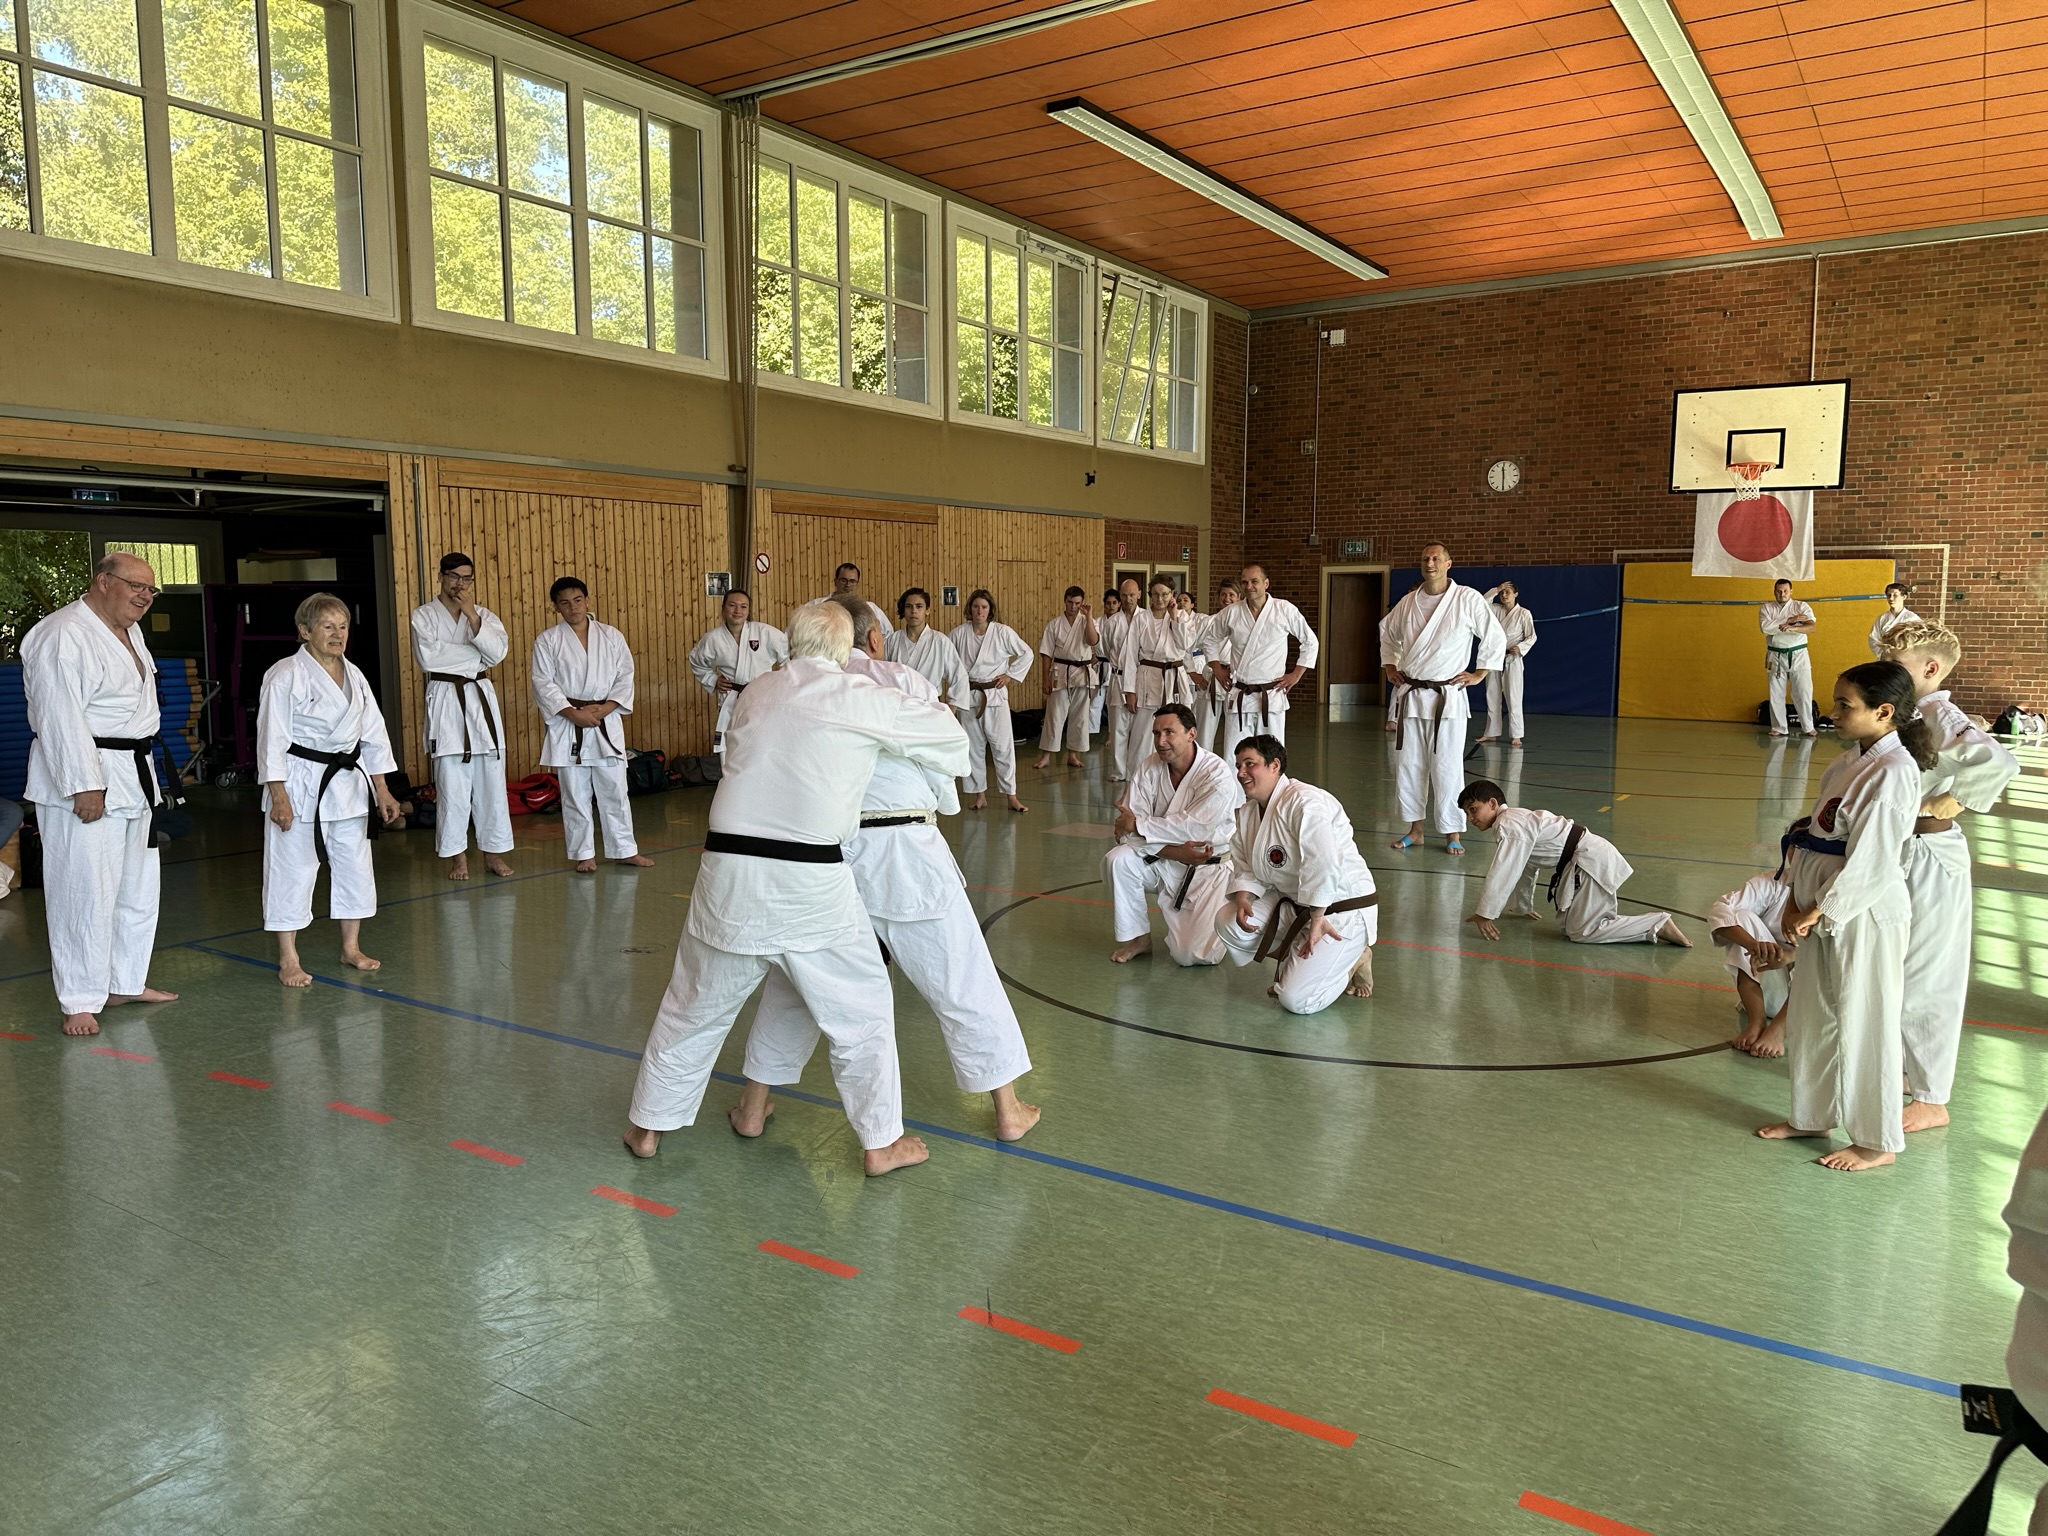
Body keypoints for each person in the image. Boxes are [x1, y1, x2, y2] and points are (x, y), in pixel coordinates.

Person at [622, 601, 966, 1177]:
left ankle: (647, 1126)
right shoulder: (859, 695)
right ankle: (880, 1143)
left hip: (726, 871)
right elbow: (951, 742)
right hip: (808, 879)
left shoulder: (757, 691)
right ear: (846, 651)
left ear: (789, 644)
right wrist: (910, 710)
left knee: (692, 1004)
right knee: (863, 1012)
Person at [736, 595, 1038, 1144]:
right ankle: (1008, 1109)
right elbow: (946, 764)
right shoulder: (898, 679)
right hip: (903, 849)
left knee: (796, 982)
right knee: (961, 975)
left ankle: (753, 1107)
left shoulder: (787, 689)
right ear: (876, 638)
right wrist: (937, 803)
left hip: (824, 852)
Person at [1756, 660, 1935, 1172]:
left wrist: (1820, 908)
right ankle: (1811, 1116)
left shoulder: (1894, 771)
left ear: (1884, 712)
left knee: (1865, 1020)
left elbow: (1874, 859)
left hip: (1866, 913)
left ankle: (1877, 1141)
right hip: (1818, 904)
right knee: (1811, 1015)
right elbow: (1814, 838)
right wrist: (1794, 898)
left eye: (1844, 705)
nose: (1832, 713)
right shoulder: (1845, 764)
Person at [23, 553, 182, 1035]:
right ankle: (78, 998)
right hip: (87, 774)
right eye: (136, 586)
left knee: (136, 887)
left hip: (133, 771)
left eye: (151, 590)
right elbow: (58, 715)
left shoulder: (129, 631)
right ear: (103, 581)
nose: (145, 596)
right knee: (83, 890)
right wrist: (84, 784)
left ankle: (123, 981)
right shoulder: (62, 634)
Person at [1878, 620, 2021, 1133]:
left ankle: (1932, 1097)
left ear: (1931, 669)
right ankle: (1905, 1070)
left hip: (1932, 854)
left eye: (1897, 666)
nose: (1888, 673)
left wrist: (1954, 800)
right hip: (1906, 847)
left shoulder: (1940, 712)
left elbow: (1998, 762)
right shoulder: (1912, 713)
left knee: (1928, 974)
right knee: (1900, 966)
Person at [258, 593, 404, 986]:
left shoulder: (355, 675)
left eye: (343, 626)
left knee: (355, 868)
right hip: (300, 783)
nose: (338, 634)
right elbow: (271, 739)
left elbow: (373, 734)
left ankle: (351, 947)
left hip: (349, 785)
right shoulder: (285, 674)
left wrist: (383, 789)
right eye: (328, 626)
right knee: (291, 870)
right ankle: (289, 958)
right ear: (305, 632)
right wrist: (279, 796)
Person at [1215, 734, 1377, 1013]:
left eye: (1250, 764)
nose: (1241, 772)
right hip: (1296, 902)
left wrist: (1317, 917)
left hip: (1340, 907)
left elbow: (1323, 861)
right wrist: (1244, 896)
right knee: (1229, 921)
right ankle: (1303, 963)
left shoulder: (1304, 802)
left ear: (1274, 765)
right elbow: (1245, 863)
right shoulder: (1249, 812)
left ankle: (1353, 961)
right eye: (1238, 765)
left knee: (1297, 1001)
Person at [1458, 779, 1688, 947]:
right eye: (1467, 813)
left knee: (1582, 932)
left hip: (1588, 860)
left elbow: (1504, 870)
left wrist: (1485, 913)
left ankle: (1656, 924)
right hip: (1587, 859)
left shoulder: (1508, 824)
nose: (1470, 818)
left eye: (1473, 809)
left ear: (1493, 803)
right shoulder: (1514, 819)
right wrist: (1522, 906)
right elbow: (1525, 867)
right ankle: (1650, 925)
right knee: (1571, 927)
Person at [1381, 543, 1504, 853]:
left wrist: (1480, 673)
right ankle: (1416, 830)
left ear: (1449, 563)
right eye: (1425, 558)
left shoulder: (1467, 598)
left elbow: (1494, 635)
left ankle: (1452, 832)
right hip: (1413, 696)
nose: (1430, 563)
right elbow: (1388, 633)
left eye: (1436, 558)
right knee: (1410, 766)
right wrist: (1390, 665)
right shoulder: (1408, 602)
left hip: (1447, 698)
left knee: (1447, 768)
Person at [531, 577, 653, 873]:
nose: (572, 607)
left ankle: (625, 850)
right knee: (575, 793)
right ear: (556, 607)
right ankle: (583, 853)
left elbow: (625, 675)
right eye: (564, 602)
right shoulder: (548, 640)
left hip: (604, 719)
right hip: (569, 722)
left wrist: (607, 708)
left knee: (615, 790)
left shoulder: (611, 635)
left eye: (577, 600)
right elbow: (542, 682)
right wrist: (572, 713)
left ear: (587, 600)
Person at [1105, 703, 1241, 966]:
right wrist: (1175, 852)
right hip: (1164, 859)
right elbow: (1126, 833)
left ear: (1191, 734)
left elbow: (1195, 828)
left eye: (1169, 732)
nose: (1161, 741)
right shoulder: (1149, 767)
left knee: (1193, 955)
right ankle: (1139, 939)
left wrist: (1138, 824)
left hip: (1208, 869)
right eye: (1156, 733)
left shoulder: (1216, 773)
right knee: (1118, 859)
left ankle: (1227, 910)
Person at [410, 552, 513, 881]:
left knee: (491, 783)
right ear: (441, 576)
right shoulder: (424, 616)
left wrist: (471, 616)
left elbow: (497, 653)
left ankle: (493, 854)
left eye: (466, 578)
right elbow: (429, 658)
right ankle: (458, 858)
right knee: (452, 787)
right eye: (454, 576)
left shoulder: (483, 615)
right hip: (446, 700)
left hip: (480, 701)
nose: (460, 583)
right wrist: (476, 657)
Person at [1208, 564, 1318, 751]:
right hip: (1240, 693)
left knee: (1271, 752)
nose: (1249, 586)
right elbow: (1210, 640)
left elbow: (1310, 641)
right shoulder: (1231, 612)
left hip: (1271, 694)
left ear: (1266, 583)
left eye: (1254, 582)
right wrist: (1217, 669)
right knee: (1235, 753)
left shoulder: (1283, 609)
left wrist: (1296, 675)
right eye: (1245, 582)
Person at [950, 589, 1033, 812]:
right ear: (969, 609)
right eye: (976, 606)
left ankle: (1012, 796)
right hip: (969, 696)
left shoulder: (1002, 632)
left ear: (990, 610)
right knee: (973, 749)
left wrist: (1010, 675)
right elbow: (949, 662)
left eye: (984, 607)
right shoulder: (958, 634)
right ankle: (980, 795)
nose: (980, 611)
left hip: (994, 696)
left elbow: (1027, 653)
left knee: (1003, 747)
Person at [688, 589, 788, 754]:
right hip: (732, 697)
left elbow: (789, 656)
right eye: (732, 605)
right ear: (723, 608)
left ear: (748, 610)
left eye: (743, 606)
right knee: (731, 746)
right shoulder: (713, 638)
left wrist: (780, 683)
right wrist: (713, 680)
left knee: (762, 744)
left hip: (762, 696)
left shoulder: (765, 632)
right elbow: (696, 661)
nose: (738, 611)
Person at [1120, 577, 1202, 772]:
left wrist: (1174, 617)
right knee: (1142, 734)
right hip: (1147, 678)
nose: (1160, 599)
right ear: (1149, 596)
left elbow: (1185, 645)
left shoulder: (1182, 617)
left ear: (1172, 595)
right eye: (1155, 594)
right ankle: (1136, 778)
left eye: (1165, 594)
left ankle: (1178, 774)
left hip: (1174, 678)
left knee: (1176, 730)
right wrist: (1130, 690)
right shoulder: (1140, 619)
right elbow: (1130, 656)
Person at [1711, 871, 1795, 1057]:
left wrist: (1790, 956)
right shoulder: (1775, 882)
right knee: (1742, 916)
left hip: (1812, 1005)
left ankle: (1778, 1031)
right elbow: (1720, 909)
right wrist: (1755, 946)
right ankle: (1757, 1021)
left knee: (1818, 954)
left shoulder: (1834, 889)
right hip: (1774, 993)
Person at [1034, 586, 1098, 769]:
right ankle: (1046, 755)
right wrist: (1045, 679)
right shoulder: (1054, 625)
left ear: (1082, 603)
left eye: (1077, 603)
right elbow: (1046, 654)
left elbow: (1093, 641)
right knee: (1054, 715)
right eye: (1070, 602)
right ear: (1065, 601)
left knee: (1080, 717)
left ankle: (1073, 755)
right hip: (1060, 672)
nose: (1073, 606)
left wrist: (1089, 616)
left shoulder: (1087, 622)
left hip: (1082, 673)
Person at [885, 587, 969, 706]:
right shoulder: (893, 640)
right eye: (909, 606)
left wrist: (951, 709)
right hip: (899, 705)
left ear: (927, 610)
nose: (913, 611)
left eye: (919, 606)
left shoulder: (940, 641)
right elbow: (882, 673)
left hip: (930, 706)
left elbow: (960, 677)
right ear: (904, 610)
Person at [1478, 582, 1537, 747]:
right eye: (1502, 593)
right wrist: (1496, 589)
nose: (1504, 595)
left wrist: (1521, 648)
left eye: (1507, 592)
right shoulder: (1496, 609)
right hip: (1495, 657)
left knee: (1514, 696)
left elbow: (1531, 636)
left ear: (1515, 594)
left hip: (1513, 658)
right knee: (1492, 694)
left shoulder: (1524, 613)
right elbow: (1482, 602)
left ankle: (1516, 734)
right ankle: (1491, 732)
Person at [1759, 578, 1818, 737]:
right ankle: (1779, 727)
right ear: (1774, 592)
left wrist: (1792, 628)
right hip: (1775, 654)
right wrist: (1790, 620)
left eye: (1785, 591)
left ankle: (1808, 726)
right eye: (1779, 591)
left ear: (1791, 591)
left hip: (1798, 654)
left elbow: (1811, 627)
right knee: (1776, 692)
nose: (1782, 594)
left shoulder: (1801, 606)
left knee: (1803, 691)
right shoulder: (1767, 608)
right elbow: (1765, 628)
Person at [1100, 576, 1145, 780]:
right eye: (1124, 595)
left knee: (1140, 730)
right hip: (1118, 677)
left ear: (1139, 595)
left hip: (1140, 678)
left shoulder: (1146, 618)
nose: (1128, 599)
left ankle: (1137, 771)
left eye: (1132, 595)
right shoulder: (1112, 622)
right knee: (1118, 727)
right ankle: (1118, 771)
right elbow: (1107, 649)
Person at [808, 561, 891, 639]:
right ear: (835, 581)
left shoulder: (871, 608)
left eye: (852, 581)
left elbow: (888, 635)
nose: (848, 585)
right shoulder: (816, 606)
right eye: (843, 580)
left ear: (857, 584)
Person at [1867, 581, 1921, 658]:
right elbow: (1873, 638)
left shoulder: (1912, 618)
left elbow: (1920, 639)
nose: (1891, 598)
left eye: (1895, 595)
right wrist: (1884, 653)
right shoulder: (1882, 619)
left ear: (1904, 597)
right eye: (1889, 595)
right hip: (1886, 657)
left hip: (1906, 658)